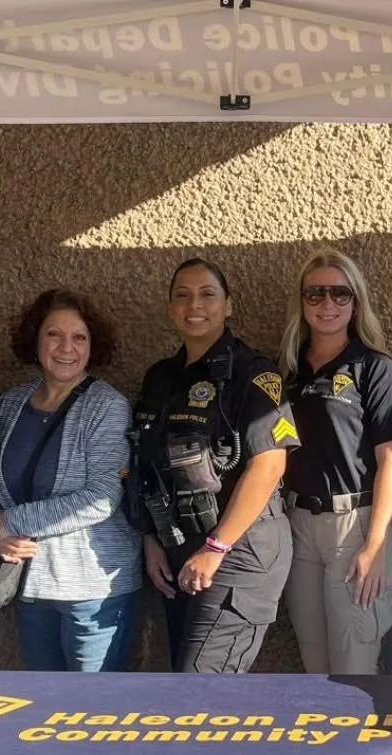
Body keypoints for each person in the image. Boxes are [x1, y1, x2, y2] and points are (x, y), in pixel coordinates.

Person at [130, 258, 300, 673]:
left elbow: (269, 466)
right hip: (180, 551)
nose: (195, 305)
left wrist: (215, 548)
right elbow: (148, 465)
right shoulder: (161, 378)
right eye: (182, 295)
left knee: (202, 689)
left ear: (229, 305)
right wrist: (152, 539)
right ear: (170, 307)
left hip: (237, 552)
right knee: (186, 683)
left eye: (208, 294)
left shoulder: (255, 374)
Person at [0, 289, 142, 672]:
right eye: (54, 334)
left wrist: (13, 522)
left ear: (92, 346)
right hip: (31, 586)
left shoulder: (107, 406)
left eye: (79, 337)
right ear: (35, 339)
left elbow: (102, 497)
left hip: (93, 590)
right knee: (45, 708)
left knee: (91, 714)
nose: (66, 347)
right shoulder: (10, 404)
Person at [280, 249, 392, 674]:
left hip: (355, 526)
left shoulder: (373, 368)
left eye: (340, 294)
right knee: (315, 666)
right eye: (315, 294)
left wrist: (375, 545)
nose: (328, 304)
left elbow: (391, 462)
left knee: (354, 667)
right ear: (302, 301)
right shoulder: (289, 371)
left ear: (356, 303)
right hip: (299, 527)